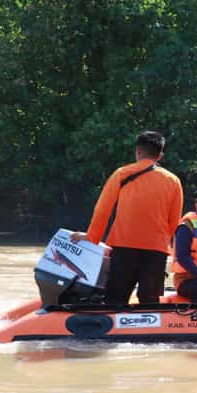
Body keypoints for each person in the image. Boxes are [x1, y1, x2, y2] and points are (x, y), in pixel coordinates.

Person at [71, 130, 183, 304]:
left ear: (137, 151)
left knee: (115, 299)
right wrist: (161, 242)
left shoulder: (121, 174)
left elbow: (103, 209)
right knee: (149, 301)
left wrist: (92, 237)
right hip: (157, 250)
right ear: (160, 155)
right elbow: (174, 221)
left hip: (124, 247)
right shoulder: (173, 180)